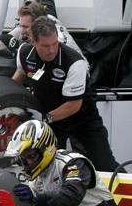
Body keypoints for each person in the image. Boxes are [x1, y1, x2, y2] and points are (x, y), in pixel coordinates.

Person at [12, 16, 122, 172]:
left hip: (82, 118)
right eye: (45, 45)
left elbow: (74, 105)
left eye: (54, 44)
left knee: (104, 164)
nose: (51, 50)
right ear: (33, 42)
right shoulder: (24, 53)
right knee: (48, 166)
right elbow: (18, 79)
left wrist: (44, 118)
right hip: (52, 121)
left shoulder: (74, 62)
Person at [1, 0, 85, 61]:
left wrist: (16, 49)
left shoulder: (52, 40)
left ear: (38, 24)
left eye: (26, 27)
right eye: (21, 26)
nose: (22, 31)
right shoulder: (47, 15)